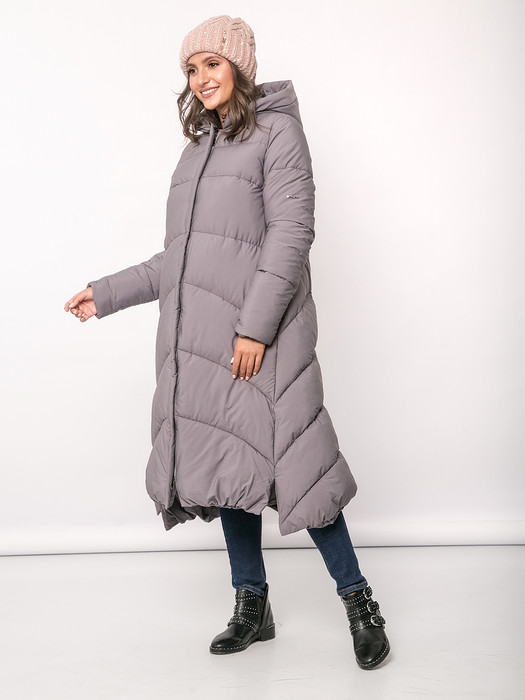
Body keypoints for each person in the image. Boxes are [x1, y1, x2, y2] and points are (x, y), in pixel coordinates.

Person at [64, 15, 391, 670]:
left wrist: (254, 328)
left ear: (240, 66)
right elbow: (182, 261)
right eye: (191, 69)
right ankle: (252, 604)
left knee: (302, 466)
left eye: (211, 63)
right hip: (206, 343)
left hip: (262, 338)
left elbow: (291, 235)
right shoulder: (195, 154)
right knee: (228, 469)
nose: (200, 78)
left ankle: (359, 603)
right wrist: (107, 292)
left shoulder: (278, 133)